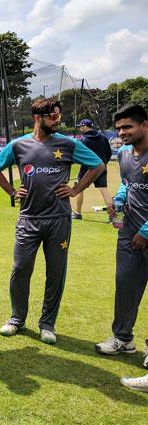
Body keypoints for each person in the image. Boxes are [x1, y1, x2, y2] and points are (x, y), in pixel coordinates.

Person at [0, 98, 105, 344]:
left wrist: (75, 189)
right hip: (28, 219)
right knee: (20, 269)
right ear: (37, 118)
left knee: (56, 272)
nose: (57, 119)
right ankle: (16, 318)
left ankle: (47, 324)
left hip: (59, 220)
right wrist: (12, 192)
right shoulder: (19, 145)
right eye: (52, 116)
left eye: (58, 116)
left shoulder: (68, 143)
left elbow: (97, 165)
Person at [95, 105, 148, 373]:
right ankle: (123, 339)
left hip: (144, 233)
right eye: (118, 128)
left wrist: (146, 231)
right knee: (125, 287)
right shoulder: (125, 153)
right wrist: (120, 197)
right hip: (129, 233)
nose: (121, 133)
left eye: (127, 127)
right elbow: (128, 181)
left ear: (144, 126)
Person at [71, 118, 113, 220]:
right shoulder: (103, 138)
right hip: (101, 168)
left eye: (81, 126)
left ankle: (77, 213)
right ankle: (113, 216)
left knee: (79, 189)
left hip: (86, 169)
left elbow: (78, 155)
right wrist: (103, 164)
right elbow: (109, 153)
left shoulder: (82, 140)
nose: (80, 128)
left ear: (85, 126)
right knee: (105, 191)